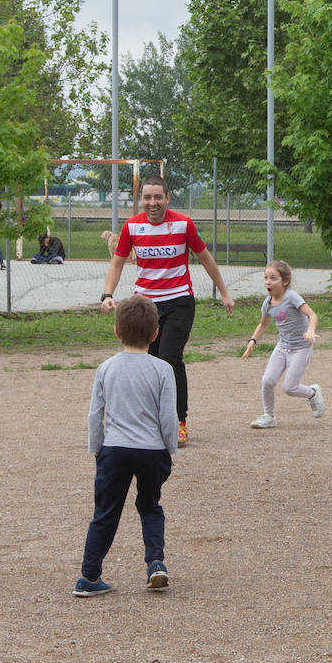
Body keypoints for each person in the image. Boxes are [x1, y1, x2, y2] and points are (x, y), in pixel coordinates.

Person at [100, 176, 235, 447]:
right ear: (141, 200)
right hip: (145, 306)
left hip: (179, 301)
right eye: (147, 198)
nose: (152, 203)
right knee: (147, 363)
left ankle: (179, 421)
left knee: (170, 359)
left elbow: (205, 259)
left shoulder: (183, 224)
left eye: (157, 197)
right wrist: (107, 294)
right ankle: (152, 420)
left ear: (167, 198)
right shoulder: (132, 227)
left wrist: (224, 292)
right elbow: (117, 264)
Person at [73, 295, 178, 597]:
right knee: (150, 507)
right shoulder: (162, 369)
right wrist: (169, 449)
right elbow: (168, 416)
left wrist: (96, 448)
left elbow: (95, 414)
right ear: (155, 333)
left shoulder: (106, 368)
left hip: (115, 449)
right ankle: (155, 563)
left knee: (105, 512)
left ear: (116, 331)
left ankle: (89, 576)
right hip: (151, 451)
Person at [241, 260, 325, 429]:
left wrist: (310, 330)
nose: (268, 282)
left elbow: (312, 315)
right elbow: (263, 325)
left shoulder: (292, 297)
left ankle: (313, 393)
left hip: (301, 347)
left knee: (289, 387)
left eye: (273, 278)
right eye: (266, 277)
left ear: (285, 282)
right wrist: (253, 340)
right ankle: (269, 416)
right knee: (267, 381)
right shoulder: (267, 303)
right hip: (282, 347)